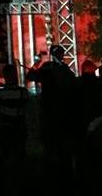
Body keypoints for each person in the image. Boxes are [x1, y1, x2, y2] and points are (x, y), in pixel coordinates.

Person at [26, 45, 77, 179]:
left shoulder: (48, 69)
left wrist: (37, 62)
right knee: (61, 146)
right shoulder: (65, 71)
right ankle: (64, 173)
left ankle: (52, 173)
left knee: (50, 145)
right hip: (62, 112)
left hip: (50, 111)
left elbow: (30, 75)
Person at [0, 63, 29, 191]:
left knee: (3, 155)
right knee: (18, 154)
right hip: (18, 125)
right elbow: (24, 106)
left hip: (6, 125)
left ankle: (3, 182)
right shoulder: (22, 92)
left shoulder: (1, 92)